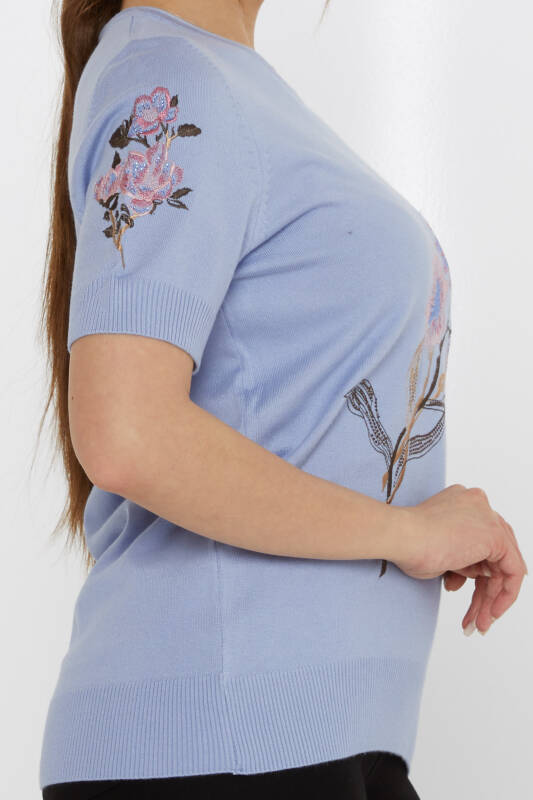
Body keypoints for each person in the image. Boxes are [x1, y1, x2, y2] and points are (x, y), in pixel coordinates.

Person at [38, 1, 528, 798]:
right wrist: (407, 533)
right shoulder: (170, 75)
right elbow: (126, 430)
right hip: (221, 747)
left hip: (309, 745)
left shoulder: (224, 83)